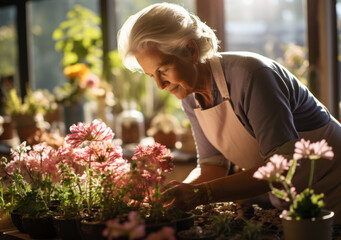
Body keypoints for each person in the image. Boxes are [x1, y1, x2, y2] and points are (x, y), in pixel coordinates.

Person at [117, 2, 341, 224]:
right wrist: (172, 197)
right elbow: (212, 167)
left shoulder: (252, 75)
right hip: (295, 204)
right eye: (151, 76)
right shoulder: (190, 97)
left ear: (190, 50)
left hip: (335, 189)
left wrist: (201, 194)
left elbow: (280, 166)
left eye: (163, 70)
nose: (159, 85)